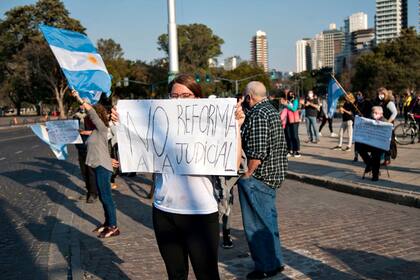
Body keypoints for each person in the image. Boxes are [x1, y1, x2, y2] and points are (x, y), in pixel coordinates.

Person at [112, 74, 245, 280]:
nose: (179, 100)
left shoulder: (210, 127)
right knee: (175, 274)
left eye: (186, 95)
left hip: (200, 213)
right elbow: (134, 154)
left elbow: (234, 164)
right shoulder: (159, 125)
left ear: (198, 99)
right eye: (174, 96)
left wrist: (235, 126)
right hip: (164, 211)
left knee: (207, 275)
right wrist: (122, 123)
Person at [238, 81, 287, 279]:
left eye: (245, 98)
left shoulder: (258, 114)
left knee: (256, 225)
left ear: (250, 97)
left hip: (259, 178)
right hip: (271, 176)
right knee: (269, 223)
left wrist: (247, 174)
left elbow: (256, 154)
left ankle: (266, 266)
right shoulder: (269, 109)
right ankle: (276, 261)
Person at [71, 90, 120, 238]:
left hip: (102, 168)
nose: (87, 118)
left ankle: (113, 226)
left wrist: (79, 98)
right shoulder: (95, 132)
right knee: (104, 197)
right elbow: (101, 147)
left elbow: (91, 112)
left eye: (89, 117)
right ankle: (107, 223)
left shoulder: (102, 128)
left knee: (106, 198)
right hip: (99, 165)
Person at [73, 105, 98, 203]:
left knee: (91, 171)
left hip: (91, 146)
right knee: (84, 171)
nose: (81, 104)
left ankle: (93, 194)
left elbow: (101, 129)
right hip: (80, 146)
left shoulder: (93, 114)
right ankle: (89, 191)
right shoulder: (75, 116)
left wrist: (89, 132)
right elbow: (69, 129)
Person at [356, 106, 386, 181]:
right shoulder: (369, 119)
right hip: (369, 143)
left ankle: (375, 174)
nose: (374, 114)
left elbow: (389, 138)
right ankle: (370, 165)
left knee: (376, 154)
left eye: (376, 113)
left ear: (381, 114)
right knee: (359, 148)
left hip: (380, 146)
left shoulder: (385, 121)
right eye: (373, 112)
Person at [375, 87, 398, 165]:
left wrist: (388, 121)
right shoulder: (380, 102)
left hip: (388, 126)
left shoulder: (389, 102)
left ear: (385, 94)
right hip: (381, 125)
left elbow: (395, 113)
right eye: (378, 94)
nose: (379, 95)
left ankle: (387, 159)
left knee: (387, 143)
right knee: (381, 143)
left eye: (381, 94)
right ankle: (382, 159)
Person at [281, 90, 301, 157]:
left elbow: (294, 109)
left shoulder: (295, 101)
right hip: (287, 120)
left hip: (294, 120)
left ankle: (297, 150)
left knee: (294, 136)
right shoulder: (286, 101)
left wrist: (287, 105)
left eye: (292, 94)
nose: (291, 95)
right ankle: (289, 150)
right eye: (289, 94)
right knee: (288, 136)